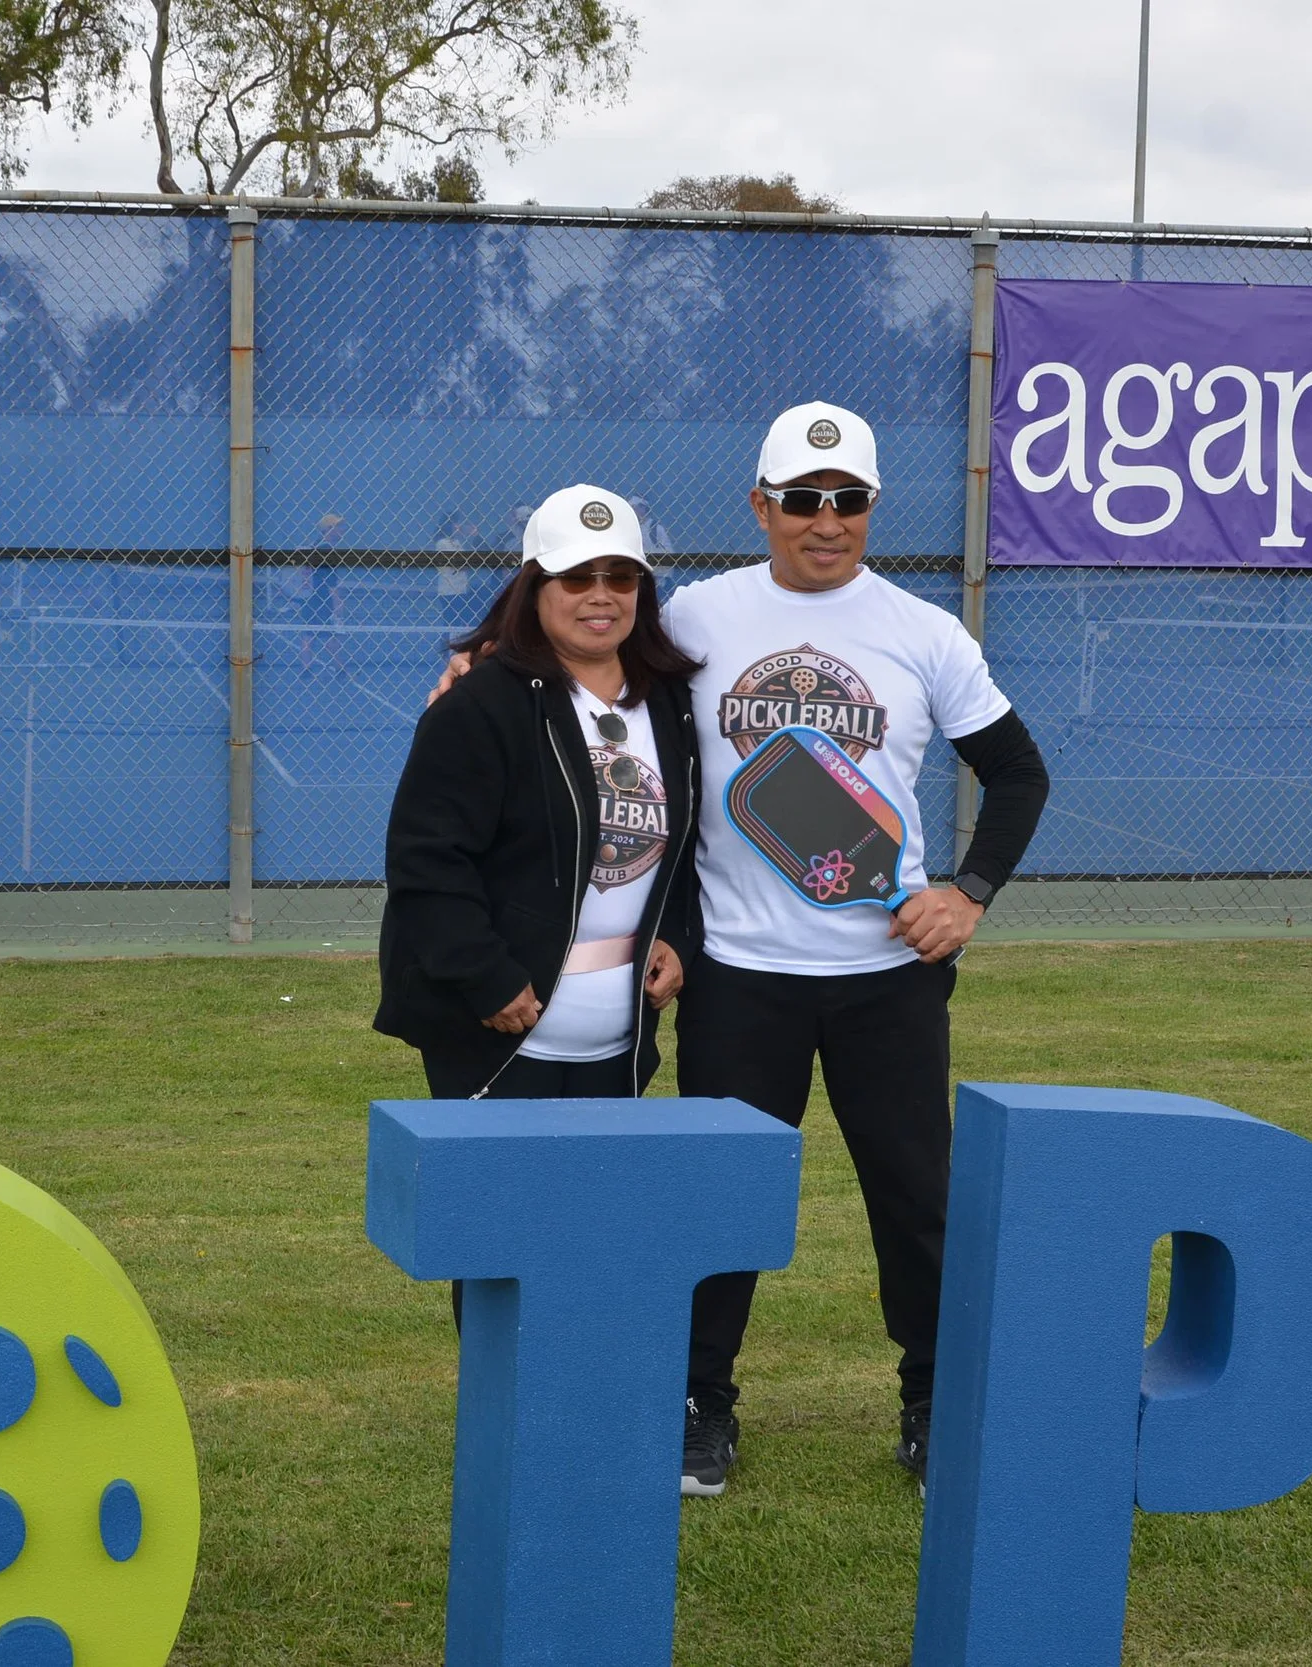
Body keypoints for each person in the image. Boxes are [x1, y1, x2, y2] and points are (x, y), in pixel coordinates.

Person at [429, 404, 1052, 1496]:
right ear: (760, 505)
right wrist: (484, 659)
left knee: (917, 1199)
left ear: (871, 506)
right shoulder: (700, 615)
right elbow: (577, 649)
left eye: (848, 500)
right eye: (803, 499)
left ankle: (936, 1402)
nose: (826, 520)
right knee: (717, 1199)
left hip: (887, 981)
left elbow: (1018, 773)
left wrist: (968, 893)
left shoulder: (925, 632)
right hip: (736, 977)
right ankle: (698, 1403)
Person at [377, 485, 703, 1105]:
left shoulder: (674, 702)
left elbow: (690, 844)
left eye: (621, 576)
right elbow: (426, 859)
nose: (601, 595)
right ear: (535, 587)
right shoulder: (479, 705)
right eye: (576, 577)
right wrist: (483, 976)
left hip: (621, 1047)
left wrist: (677, 936)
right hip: (498, 1041)